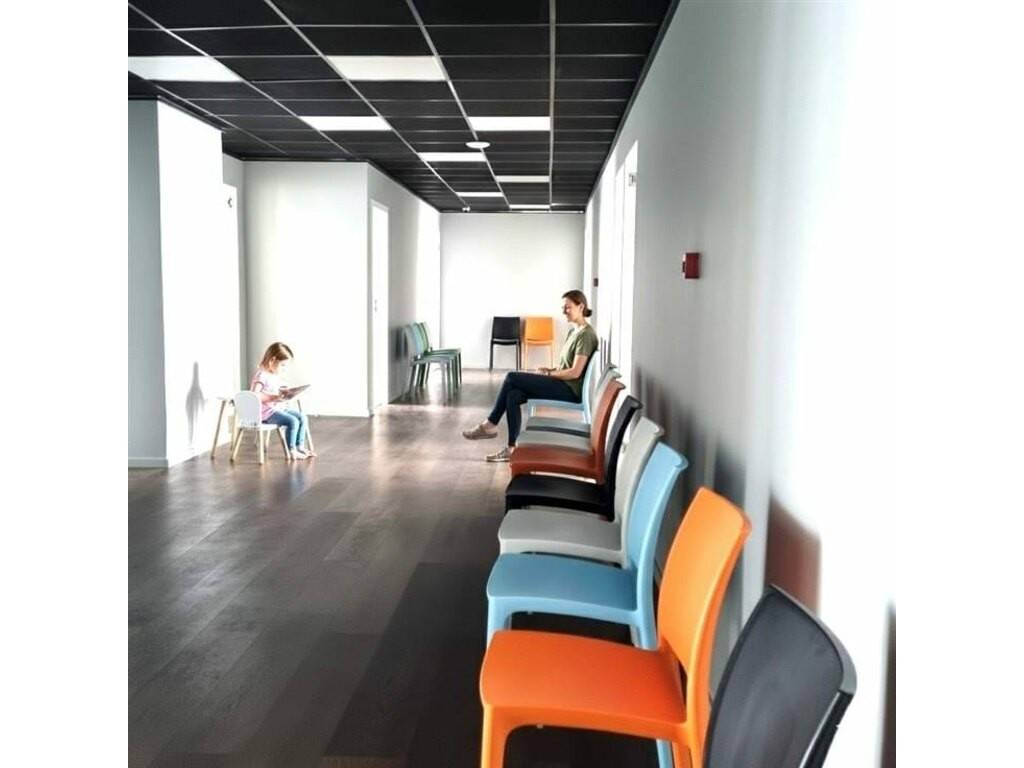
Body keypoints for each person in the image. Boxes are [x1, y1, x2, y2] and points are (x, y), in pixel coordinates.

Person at [462, 290, 599, 462]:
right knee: (513, 395)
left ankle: (490, 424)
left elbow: (575, 372)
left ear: (581, 307)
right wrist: (549, 369)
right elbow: (566, 366)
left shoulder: (586, 335)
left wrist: (548, 374)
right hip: (561, 383)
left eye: (568, 307)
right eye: (563, 307)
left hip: (569, 390)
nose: (564, 311)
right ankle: (511, 449)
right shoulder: (574, 332)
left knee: (511, 377)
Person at [250, 342, 317, 460]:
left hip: (278, 408)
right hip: (266, 413)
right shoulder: (262, 375)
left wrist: (286, 393)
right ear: (272, 361)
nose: (284, 369)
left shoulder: (274, 375)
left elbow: (275, 391)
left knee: (302, 417)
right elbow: (254, 395)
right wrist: (275, 397)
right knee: (292, 421)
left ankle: (299, 447)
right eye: (283, 365)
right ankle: (292, 450)